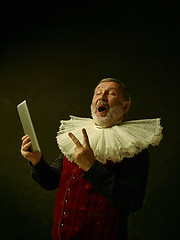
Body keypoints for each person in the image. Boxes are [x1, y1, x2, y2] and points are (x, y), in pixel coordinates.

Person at [21, 78, 162, 240]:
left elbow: (133, 200)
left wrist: (92, 168)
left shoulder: (134, 146)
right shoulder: (76, 134)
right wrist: (37, 162)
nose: (102, 97)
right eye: (98, 92)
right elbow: (51, 181)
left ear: (125, 106)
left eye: (111, 93)